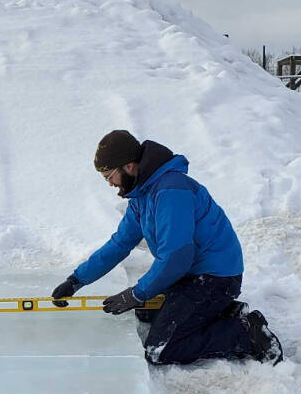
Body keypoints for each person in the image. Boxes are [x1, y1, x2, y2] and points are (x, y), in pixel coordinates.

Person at [51, 129, 283, 366]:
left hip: (216, 278)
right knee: (146, 311)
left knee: (161, 350)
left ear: (129, 166)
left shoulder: (171, 191)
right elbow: (120, 243)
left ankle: (248, 334)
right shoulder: (142, 195)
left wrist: (136, 293)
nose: (110, 183)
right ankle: (221, 312)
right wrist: (76, 280)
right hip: (189, 275)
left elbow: (177, 257)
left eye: (109, 176)